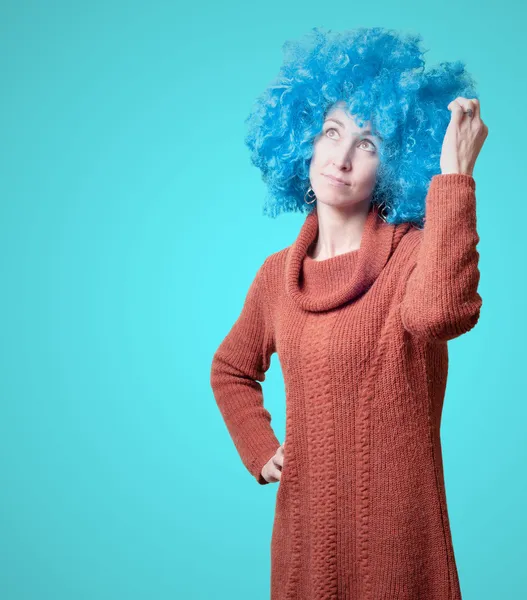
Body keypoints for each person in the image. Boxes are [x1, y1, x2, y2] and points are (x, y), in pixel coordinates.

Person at [210, 26, 488, 600]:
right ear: (302, 140)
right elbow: (231, 370)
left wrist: (455, 176)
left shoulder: (414, 253)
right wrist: (261, 452)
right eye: (331, 132)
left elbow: (442, 313)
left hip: (401, 549)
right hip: (304, 545)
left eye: (367, 141)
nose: (340, 158)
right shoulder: (274, 276)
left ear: (394, 162)